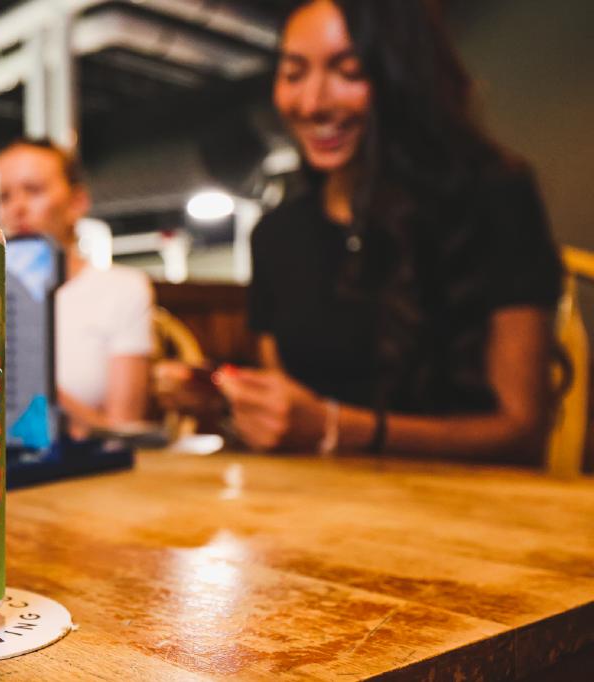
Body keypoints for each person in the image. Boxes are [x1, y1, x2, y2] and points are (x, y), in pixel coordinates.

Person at [187, 0, 563, 463]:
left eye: (350, 71)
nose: (312, 103)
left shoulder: (493, 196)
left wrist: (339, 428)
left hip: (466, 512)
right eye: (293, 73)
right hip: (317, 509)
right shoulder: (275, 234)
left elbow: (522, 430)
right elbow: (288, 410)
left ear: (403, 78)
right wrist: (225, 399)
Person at [0, 139, 154, 438]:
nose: (17, 208)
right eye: (4, 197)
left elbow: (123, 430)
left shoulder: (122, 289)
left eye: (34, 190)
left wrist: (33, 382)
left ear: (77, 202)